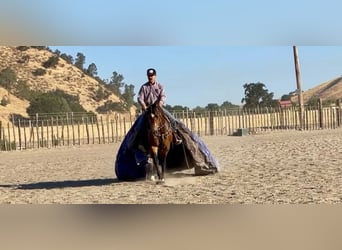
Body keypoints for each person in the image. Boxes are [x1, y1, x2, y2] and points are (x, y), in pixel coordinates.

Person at [137, 68, 182, 145]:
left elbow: (163, 96)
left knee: (173, 119)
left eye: (152, 75)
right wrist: (144, 106)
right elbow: (140, 98)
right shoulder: (144, 87)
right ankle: (138, 142)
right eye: (149, 76)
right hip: (148, 109)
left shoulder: (160, 86)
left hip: (158, 108)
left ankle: (175, 137)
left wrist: (160, 104)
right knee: (139, 124)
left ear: (155, 76)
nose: (150, 77)